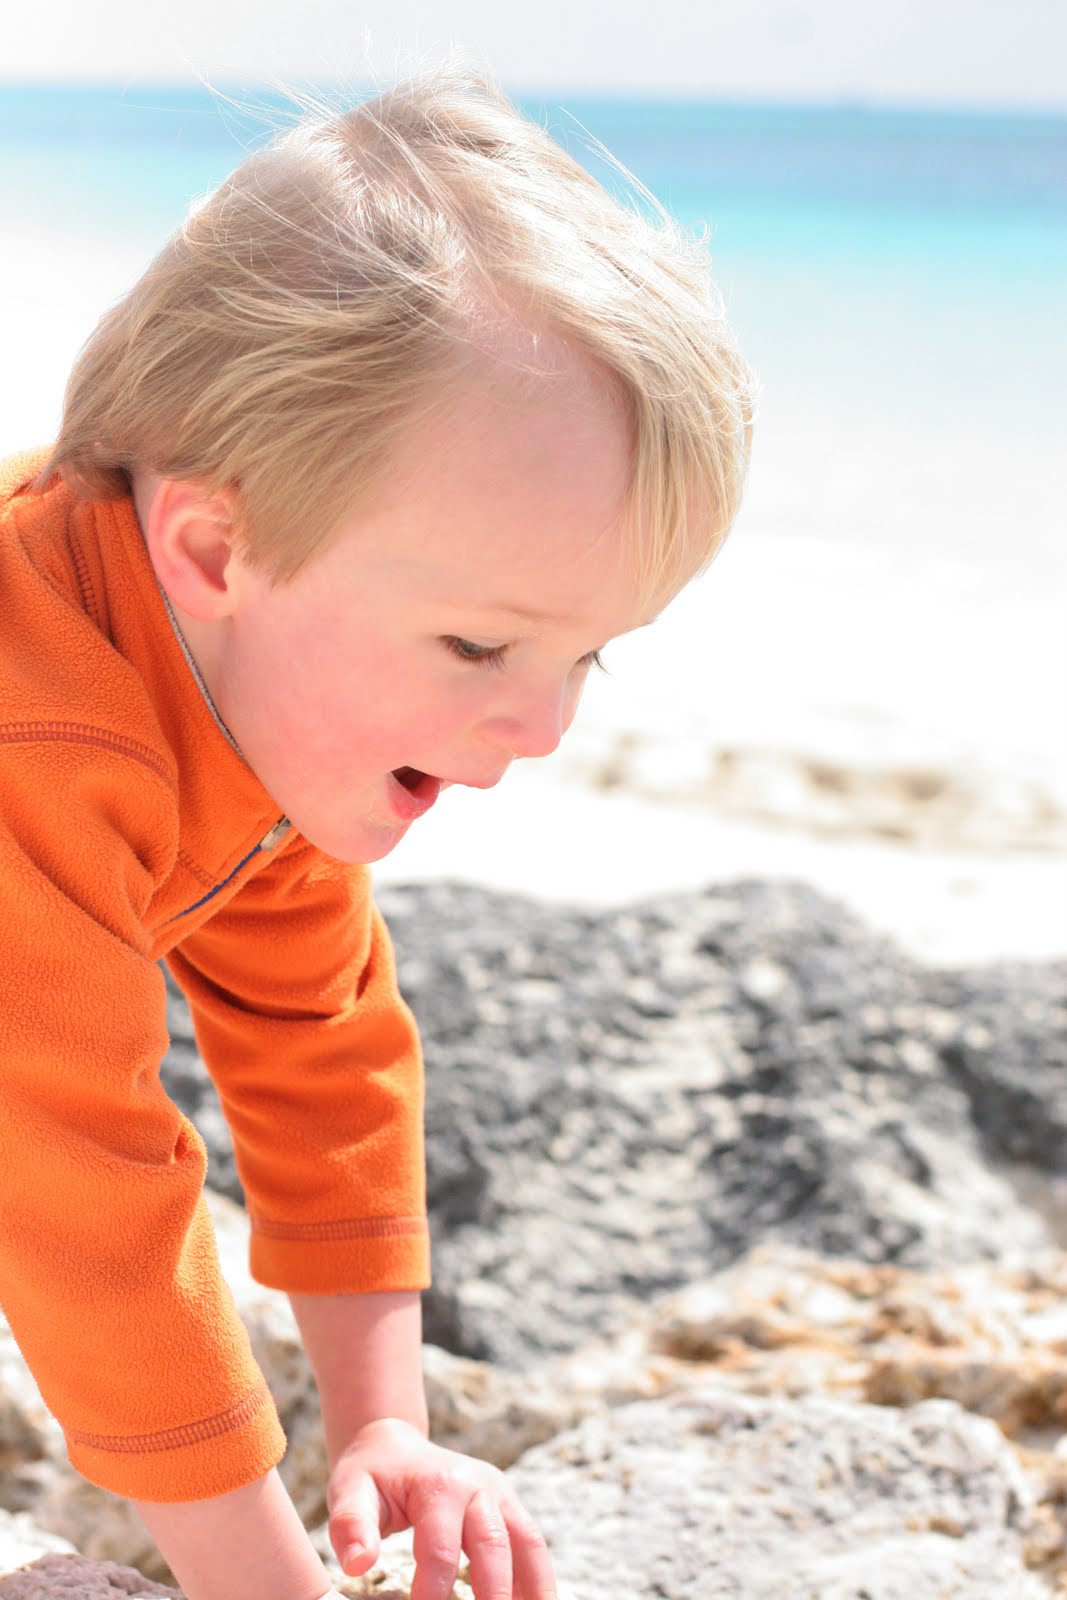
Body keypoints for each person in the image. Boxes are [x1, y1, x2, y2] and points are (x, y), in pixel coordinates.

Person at [0, 67, 753, 1600]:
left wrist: (383, 1425)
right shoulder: (40, 735)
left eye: (588, 657)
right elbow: (82, 1199)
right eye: (480, 647)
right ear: (218, 545)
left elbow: (319, 1040)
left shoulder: (245, 695)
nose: (543, 726)